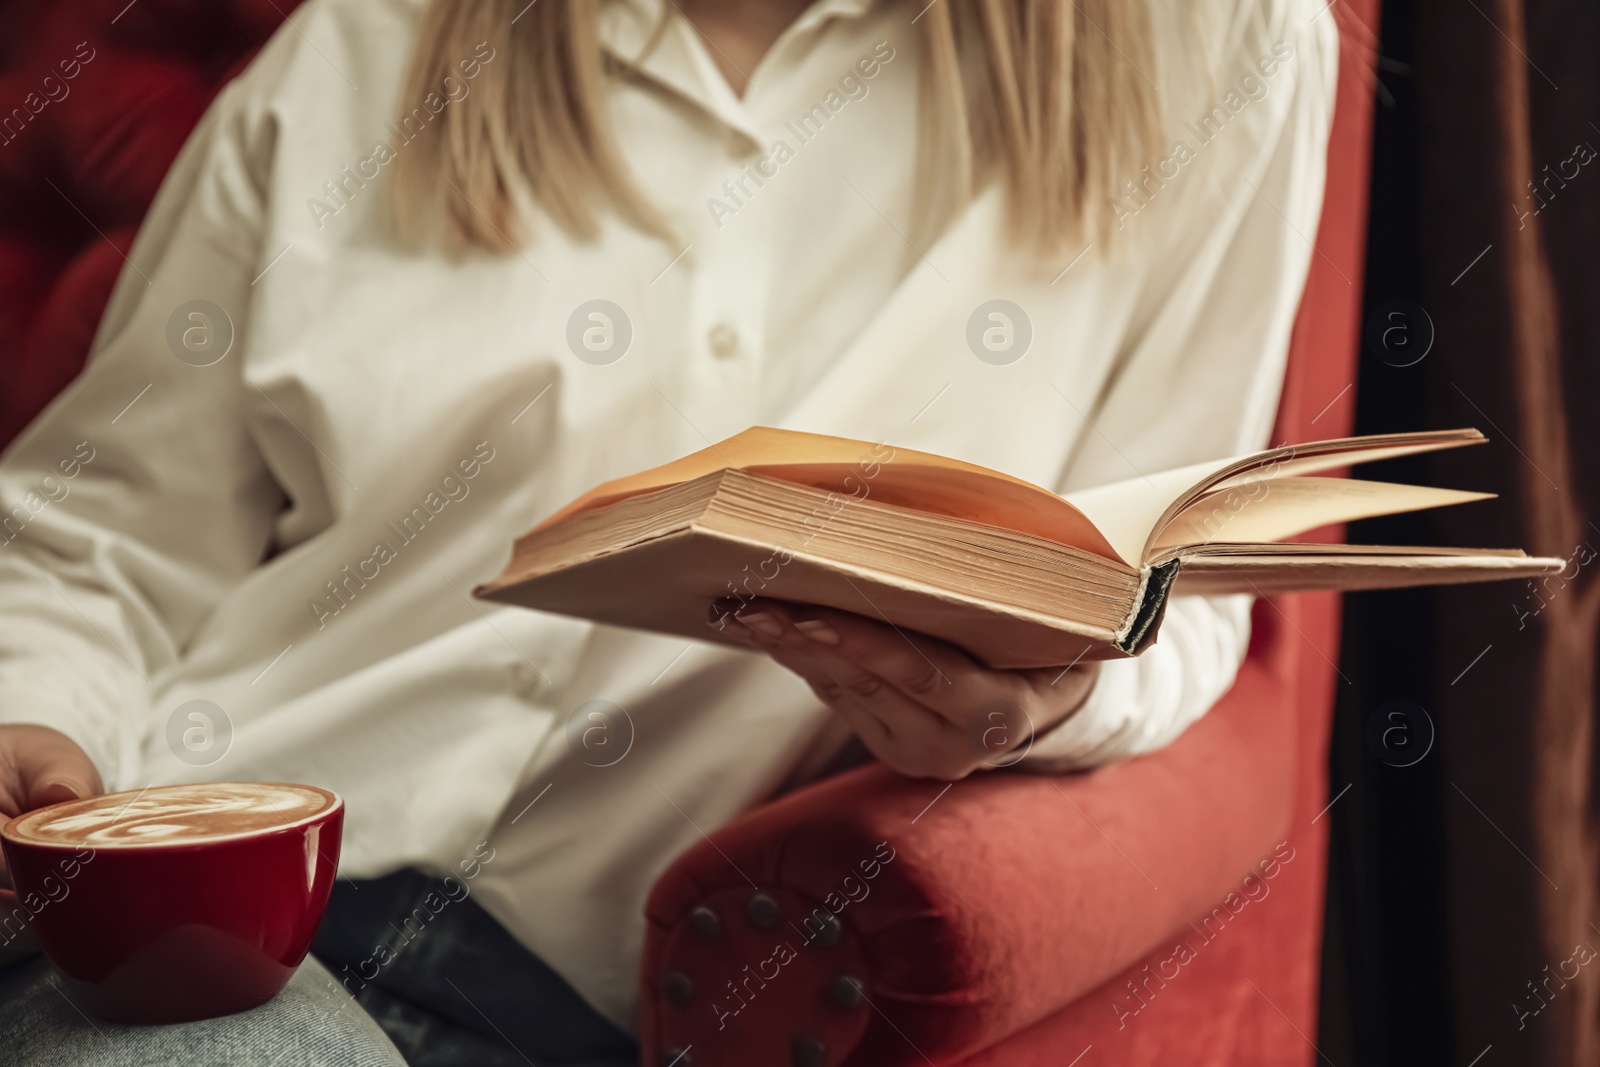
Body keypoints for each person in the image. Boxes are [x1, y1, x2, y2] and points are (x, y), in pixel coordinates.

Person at [0, 0, 1337, 1061]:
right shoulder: (369, 42)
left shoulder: (1216, 46)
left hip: (566, 995)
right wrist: (32, 722)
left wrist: (1041, 705)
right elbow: (98, 536)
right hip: (189, 907)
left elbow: (1179, 585)